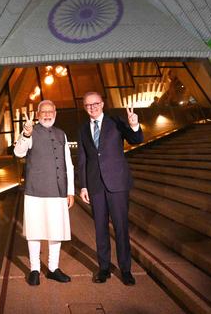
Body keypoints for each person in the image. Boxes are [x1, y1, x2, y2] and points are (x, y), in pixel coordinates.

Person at [77, 92, 143, 286]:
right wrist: (83, 186)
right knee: (100, 229)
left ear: (102, 104)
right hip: (95, 186)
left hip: (117, 184)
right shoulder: (82, 129)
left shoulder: (116, 122)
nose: (92, 107)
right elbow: (82, 160)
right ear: (84, 107)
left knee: (121, 228)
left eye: (95, 103)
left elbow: (136, 139)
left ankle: (126, 270)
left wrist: (133, 124)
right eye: (88, 105)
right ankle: (104, 268)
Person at [14, 100, 75, 286]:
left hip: (58, 191)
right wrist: (25, 134)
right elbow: (18, 152)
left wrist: (70, 191)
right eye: (44, 112)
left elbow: (68, 164)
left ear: (55, 112)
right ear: (38, 114)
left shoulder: (61, 134)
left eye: (50, 111)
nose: (47, 114)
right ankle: (34, 269)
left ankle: (53, 269)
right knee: (35, 231)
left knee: (56, 232)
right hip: (35, 192)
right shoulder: (31, 131)